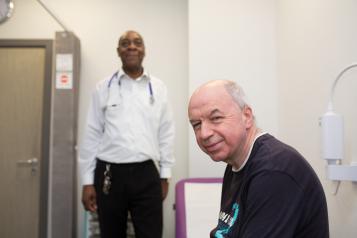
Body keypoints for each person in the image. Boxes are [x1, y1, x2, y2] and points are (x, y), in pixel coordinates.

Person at [188, 80, 329, 238]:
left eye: (216, 118)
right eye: (196, 124)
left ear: (246, 116)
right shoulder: (235, 164)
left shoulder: (274, 171)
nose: (204, 133)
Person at [79, 30, 175, 238]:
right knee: (111, 234)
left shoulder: (158, 88)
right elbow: (92, 134)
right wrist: (87, 181)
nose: (131, 47)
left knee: (151, 234)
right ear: (118, 51)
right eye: (125, 43)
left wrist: (165, 175)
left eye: (137, 43)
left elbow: (166, 133)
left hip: (147, 173)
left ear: (144, 50)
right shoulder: (103, 87)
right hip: (109, 175)